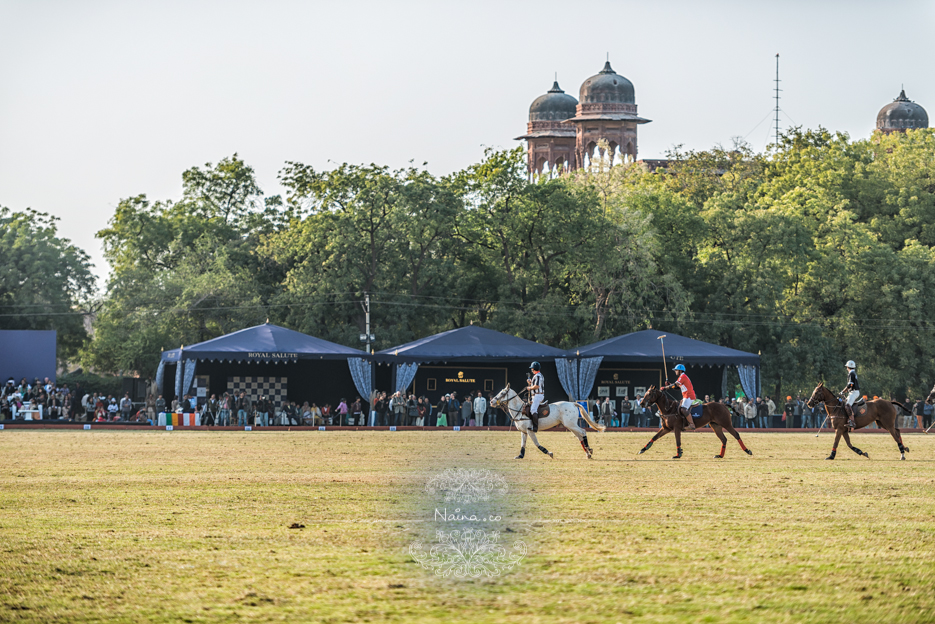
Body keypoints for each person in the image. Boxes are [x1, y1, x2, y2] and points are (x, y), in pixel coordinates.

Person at [663, 364, 696, 430]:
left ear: (680, 371)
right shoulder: (681, 377)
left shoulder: (683, 376)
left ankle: (692, 424)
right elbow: (677, 387)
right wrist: (670, 385)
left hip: (689, 396)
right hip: (686, 396)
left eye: (676, 370)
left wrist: (665, 387)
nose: (675, 371)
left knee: (683, 409)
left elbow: (675, 385)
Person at [840, 360, 860, 429]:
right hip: (853, 392)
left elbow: (850, 384)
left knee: (847, 405)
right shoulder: (853, 373)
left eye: (847, 367)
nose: (846, 368)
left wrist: (843, 391)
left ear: (848, 367)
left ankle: (852, 422)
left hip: (854, 392)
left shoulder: (851, 373)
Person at [526, 361, 545, 432]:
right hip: (536, 395)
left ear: (534, 369)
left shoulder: (538, 376)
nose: (531, 370)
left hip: (538, 395)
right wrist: (530, 383)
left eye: (532, 369)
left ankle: (535, 427)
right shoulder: (537, 376)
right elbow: (535, 384)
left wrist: (530, 388)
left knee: (533, 410)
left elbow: (537, 386)